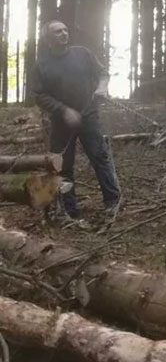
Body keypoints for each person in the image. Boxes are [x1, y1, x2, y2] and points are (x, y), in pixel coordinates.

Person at [30, 20, 122, 229]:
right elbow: (39, 96)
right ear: (47, 39)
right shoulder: (41, 65)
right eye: (57, 31)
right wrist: (63, 110)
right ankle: (71, 213)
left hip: (89, 116)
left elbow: (102, 73)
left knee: (100, 158)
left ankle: (113, 203)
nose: (63, 33)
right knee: (63, 167)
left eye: (65, 30)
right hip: (61, 123)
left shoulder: (83, 54)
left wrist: (102, 88)